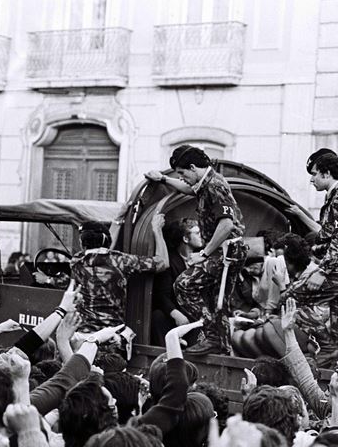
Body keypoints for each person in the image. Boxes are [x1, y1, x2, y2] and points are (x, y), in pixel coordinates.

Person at [146, 145, 249, 355]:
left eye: (183, 173)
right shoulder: (205, 182)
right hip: (227, 250)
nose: (182, 178)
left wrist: (203, 254)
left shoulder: (215, 185)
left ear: (193, 168)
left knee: (184, 285)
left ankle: (212, 336)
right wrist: (164, 179)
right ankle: (222, 346)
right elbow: (187, 188)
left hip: (226, 250)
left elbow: (227, 224)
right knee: (217, 301)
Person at [283, 149, 338, 367]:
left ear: (327, 173)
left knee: (289, 299)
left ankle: (327, 346)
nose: (312, 179)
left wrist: (322, 271)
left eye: (315, 174)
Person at [70, 217, 168, 343]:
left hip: (83, 337)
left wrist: (117, 220)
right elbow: (163, 263)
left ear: (82, 242)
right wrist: (157, 230)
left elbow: (105, 251)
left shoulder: (76, 261)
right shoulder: (121, 261)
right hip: (111, 338)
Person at [151, 218, 201, 346]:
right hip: (177, 315)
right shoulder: (171, 260)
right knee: (158, 317)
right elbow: (161, 294)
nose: (202, 236)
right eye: (197, 233)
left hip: (197, 315)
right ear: (185, 239)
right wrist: (175, 313)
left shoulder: (202, 258)